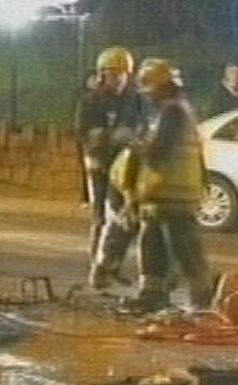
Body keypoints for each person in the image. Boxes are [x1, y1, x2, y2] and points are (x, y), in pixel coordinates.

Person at [118, 58, 213, 314]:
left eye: (148, 90)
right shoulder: (172, 110)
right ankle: (151, 295)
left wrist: (131, 141)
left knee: (184, 248)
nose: (147, 96)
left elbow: (155, 153)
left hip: (174, 195)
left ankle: (202, 301)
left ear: (158, 88)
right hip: (162, 196)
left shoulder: (172, 111)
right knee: (152, 244)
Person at [75, 47, 144, 284]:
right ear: (102, 75)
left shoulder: (133, 100)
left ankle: (113, 265)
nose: (117, 80)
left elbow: (140, 128)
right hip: (100, 167)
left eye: (121, 74)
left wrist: (134, 138)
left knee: (124, 218)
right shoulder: (91, 101)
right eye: (112, 75)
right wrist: (112, 136)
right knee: (101, 218)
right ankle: (98, 265)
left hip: (124, 168)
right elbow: (85, 133)